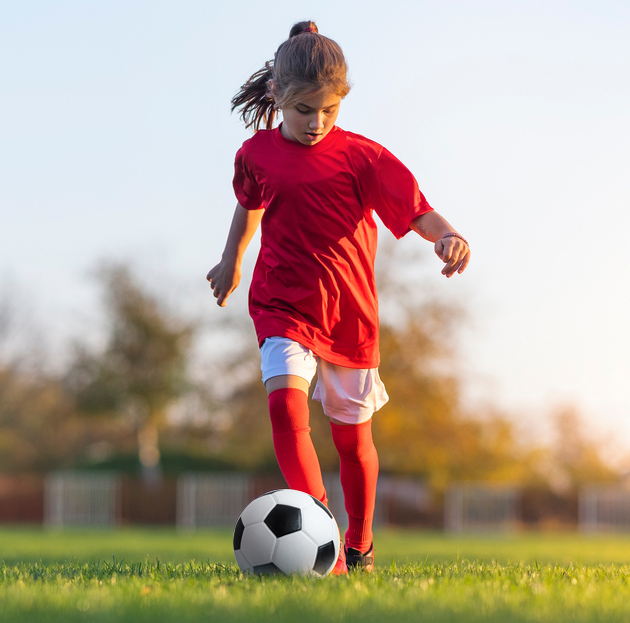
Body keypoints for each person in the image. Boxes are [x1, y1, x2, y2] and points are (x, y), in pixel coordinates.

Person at [207, 20, 470, 575]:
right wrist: (231, 260)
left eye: (329, 110)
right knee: (285, 405)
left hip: (349, 313)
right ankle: (320, 531)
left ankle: (359, 540)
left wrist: (446, 234)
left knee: (353, 444)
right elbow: (250, 204)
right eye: (305, 110)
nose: (316, 122)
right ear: (277, 96)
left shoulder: (363, 157)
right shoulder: (255, 154)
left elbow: (417, 209)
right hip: (281, 302)